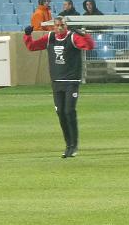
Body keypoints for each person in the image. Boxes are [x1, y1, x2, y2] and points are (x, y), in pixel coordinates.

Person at [23, 16, 95, 158]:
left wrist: (84, 35)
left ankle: (74, 146)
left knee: (69, 111)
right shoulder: (50, 37)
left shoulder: (73, 37)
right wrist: (27, 35)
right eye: (57, 25)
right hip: (57, 82)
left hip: (71, 81)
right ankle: (68, 145)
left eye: (62, 25)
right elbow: (32, 46)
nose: (60, 27)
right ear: (53, 27)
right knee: (61, 113)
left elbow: (89, 46)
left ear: (66, 26)